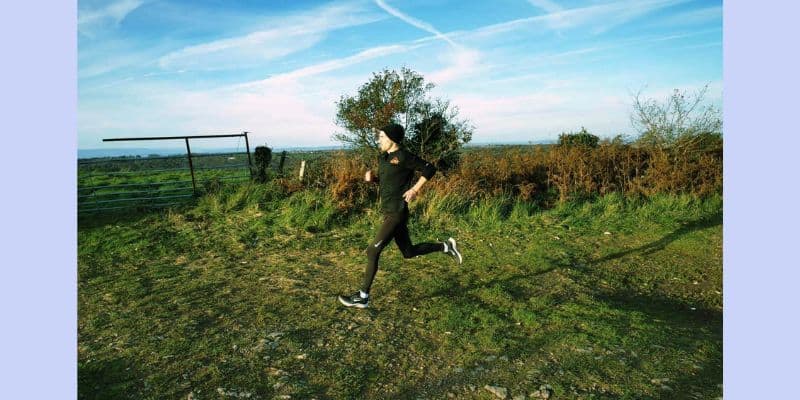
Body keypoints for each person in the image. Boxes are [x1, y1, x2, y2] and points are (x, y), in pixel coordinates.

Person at [338, 123, 463, 309]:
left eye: (381, 137)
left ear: (391, 139)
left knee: (372, 251)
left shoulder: (403, 156)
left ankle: (362, 296)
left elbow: (429, 169)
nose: (378, 140)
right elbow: (389, 182)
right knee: (408, 252)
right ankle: (446, 246)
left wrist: (414, 189)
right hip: (389, 211)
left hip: (396, 213)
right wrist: (373, 180)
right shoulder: (384, 157)